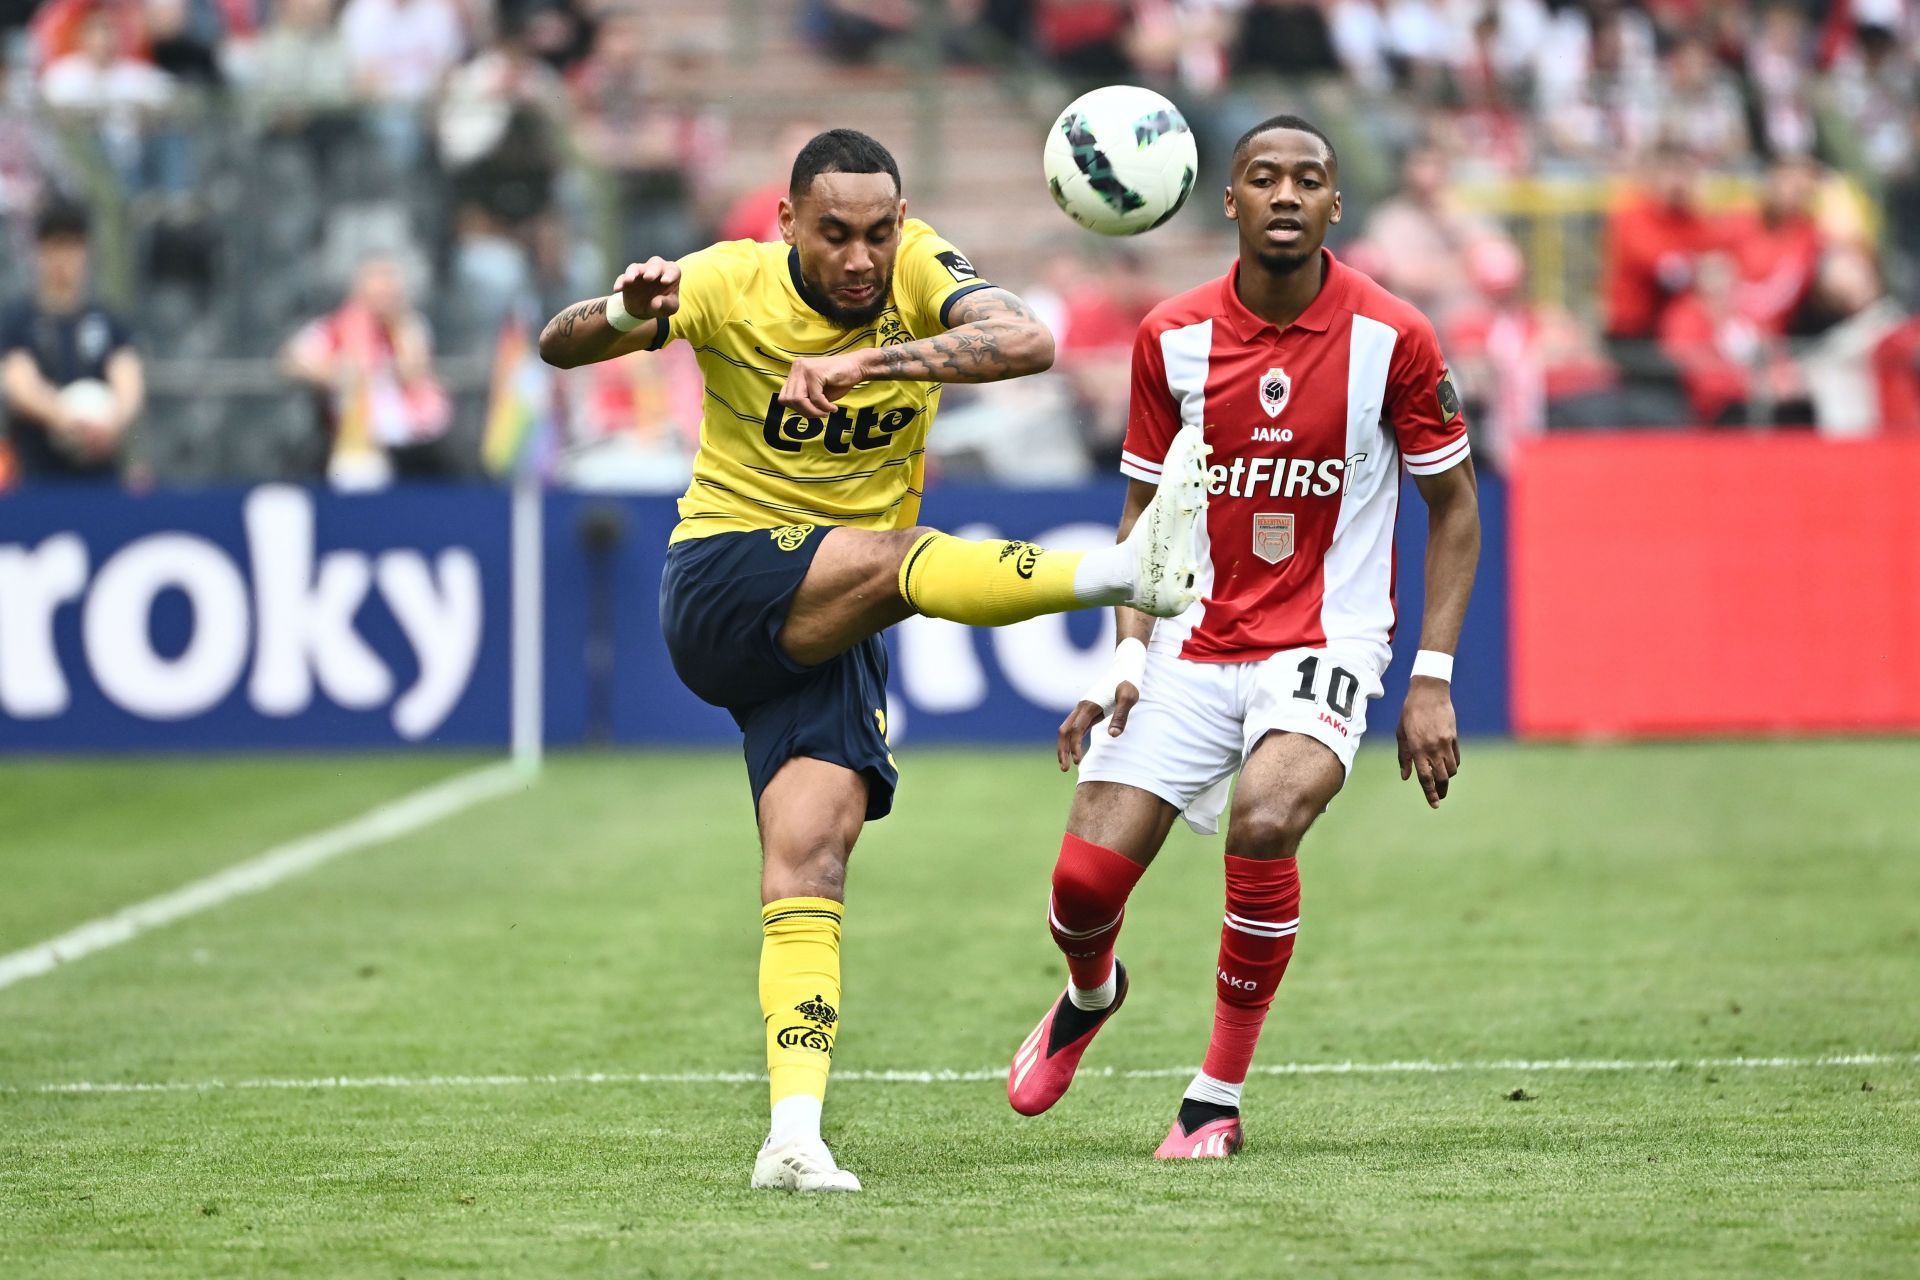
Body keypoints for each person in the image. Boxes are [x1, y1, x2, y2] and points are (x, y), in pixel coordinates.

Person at [536, 128, 1210, 1192]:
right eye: (836, 233)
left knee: (812, 862)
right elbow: (558, 344)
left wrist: (869, 360)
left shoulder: (917, 270)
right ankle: (1123, 576)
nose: (861, 256)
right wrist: (624, 309)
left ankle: (792, 1136)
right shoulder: (726, 280)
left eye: (879, 232)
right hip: (724, 577)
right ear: (788, 223)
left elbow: (1025, 341)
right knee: (903, 560)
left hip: (831, 621)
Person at [1003, 115, 1481, 1158]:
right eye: (1262, 177)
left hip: (1327, 643)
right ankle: (1092, 992)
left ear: (1334, 205)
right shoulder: (1166, 337)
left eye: (1308, 179)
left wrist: (1431, 678)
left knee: (1269, 816)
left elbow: (1455, 507)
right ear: (1228, 198)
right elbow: (1138, 525)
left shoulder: (1395, 337)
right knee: (1082, 889)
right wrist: (1124, 659)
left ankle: (1213, 1095)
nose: (1284, 194)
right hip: (1190, 639)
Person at [0, 201, 142, 483]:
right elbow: (20, 385)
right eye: (56, 246)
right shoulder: (18, 321)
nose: (64, 259)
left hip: (100, 478)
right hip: (37, 477)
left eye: (74, 247)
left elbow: (128, 379)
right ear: (40, 251)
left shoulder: (108, 321)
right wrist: (71, 420)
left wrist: (112, 422)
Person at [281, 254, 452, 486]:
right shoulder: (336, 328)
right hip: (357, 441)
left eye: (389, 281)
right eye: (377, 281)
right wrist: (335, 374)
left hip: (411, 442)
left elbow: (413, 370)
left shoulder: (408, 326)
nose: (385, 290)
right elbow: (292, 361)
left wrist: (398, 327)